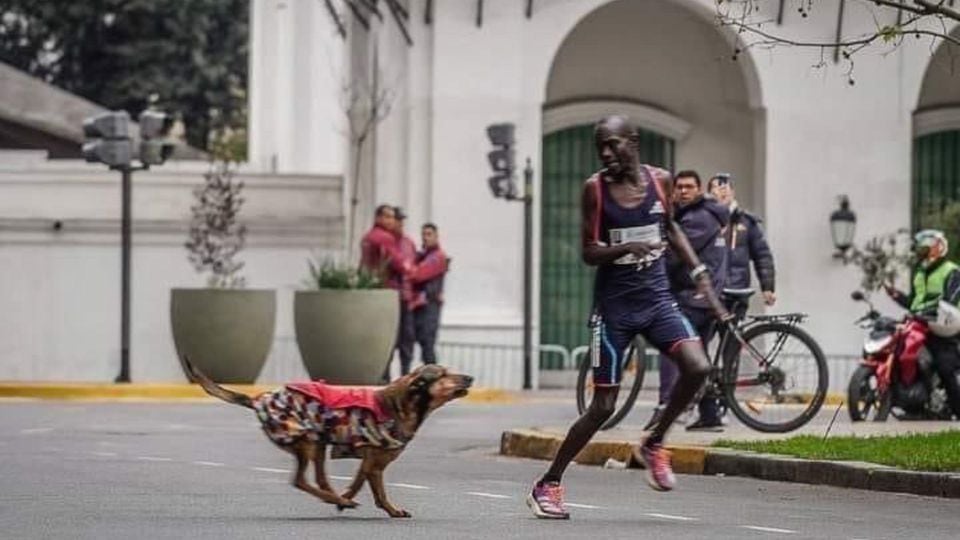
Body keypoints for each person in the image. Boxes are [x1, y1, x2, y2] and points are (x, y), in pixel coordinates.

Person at [526, 116, 730, 520]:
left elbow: (671, 228)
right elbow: (587, 252)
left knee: (698, 366)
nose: (606, 153)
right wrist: (624, 250)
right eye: (600, 146)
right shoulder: (595, 190)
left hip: (656, 302)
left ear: (633, 143)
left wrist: (699, 273)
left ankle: (653, 443)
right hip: (613, 311)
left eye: (613, 144)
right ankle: (547, 483)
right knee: (603, 406)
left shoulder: (661, 181)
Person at [651, 170, 730, 432]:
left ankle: (664, 405)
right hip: (701, 296)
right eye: (679, 187)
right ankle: (710, 415)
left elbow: (674, 255)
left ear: (699, 190)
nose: (683, 191)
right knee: (700, 354)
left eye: (689, 187)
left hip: (695, 296)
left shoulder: (699, 218)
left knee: (671, 346)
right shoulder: (697, 214)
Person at [884, 229, 960, 419]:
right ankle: (910, 401)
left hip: (943, 326)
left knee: (945, 366)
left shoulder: (951, 270)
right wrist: (896, 295)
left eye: (929, 244)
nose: (924, 247)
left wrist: (931, 310)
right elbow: (914, 303)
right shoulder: (920, 273)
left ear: (940, 247)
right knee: (899, 351)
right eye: (922, 245)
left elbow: (951, 299)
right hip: (917, 324)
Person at [707, 173, 776, 313]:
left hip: (736, 291)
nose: (722, 191)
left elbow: (762, 255)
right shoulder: (704, 220)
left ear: (733, 192)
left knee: (733, 333)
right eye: (717, 187)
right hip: (710, 291)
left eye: (725, 187)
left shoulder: (746, 221)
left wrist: (767, 287)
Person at [406, 223, 449, 366]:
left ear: (436, 236)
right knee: (419, 341)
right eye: (423, 234)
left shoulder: (438, 256)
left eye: (429, 234)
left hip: (430, 304)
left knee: (427, 343)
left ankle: (434, 378)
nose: (425, 238)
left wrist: (411, 270)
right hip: (419, 305)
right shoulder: (423, 256)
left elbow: (418, 274)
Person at [390, 207, 418, 377]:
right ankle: (383, 378)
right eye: (397, 220)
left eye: (401, 220)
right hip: (390, 298)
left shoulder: (409, 243)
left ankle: (405, 375)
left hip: (407, 298)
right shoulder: (386, 241)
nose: (400, 223)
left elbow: (415, 267)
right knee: (388, 341)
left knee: (407, 339)